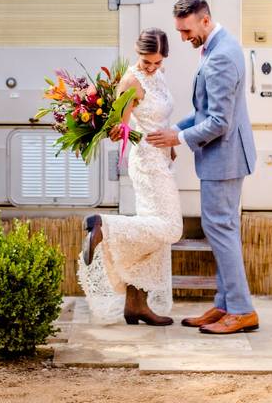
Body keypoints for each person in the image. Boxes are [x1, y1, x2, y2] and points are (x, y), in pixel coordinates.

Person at [144, 0, 259, 334]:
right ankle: (225, 305)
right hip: (225, 156)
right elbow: (205, 112)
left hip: (224, 158)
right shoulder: (218, 46)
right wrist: (175, 129)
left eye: (187, 30)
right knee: (223, 231)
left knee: (219, 230)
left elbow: (219, 122)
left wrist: (178, 140)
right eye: (180, 31)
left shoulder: (221, 56)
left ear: (205, 20)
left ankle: (241, 310)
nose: (182, 37)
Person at [77, 28, 183, 325]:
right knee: (171, 228)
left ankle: (137, 304)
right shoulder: (131, 81)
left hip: (162, 159)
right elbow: (120, 130)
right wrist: (122, 129)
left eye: (157, 62)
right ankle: (103, 226)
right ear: (138, 53)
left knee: (153, 237)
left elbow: (160, 115)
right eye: (146, 61)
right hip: (148, 162)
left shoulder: (157, 76)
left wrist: (169, 143)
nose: (151, 67)